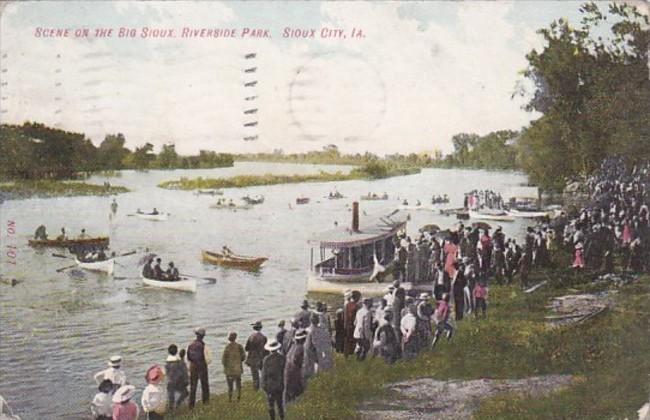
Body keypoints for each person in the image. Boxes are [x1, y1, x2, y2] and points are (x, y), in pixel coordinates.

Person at [262, 340, 285, 420]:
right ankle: (282, 418)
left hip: (270, 386)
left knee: (270, 404)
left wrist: (264, 386)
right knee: (280, 403)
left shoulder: (266, 359)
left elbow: (264, 374)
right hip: (279, 384)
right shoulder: (282, 358)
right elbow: (283, 372)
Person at [186, 327, 210, 408]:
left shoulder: (190, 344)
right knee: (204, 385)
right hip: (202, 366)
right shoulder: (204, 345)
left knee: (193, 386)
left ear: (196, 335)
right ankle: (206, 403)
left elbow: (188, 357)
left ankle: (191, 405)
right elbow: (207, 358)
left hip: (193, 367)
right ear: (203, 336)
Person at [304, 313, 333, 377]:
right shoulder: (323, 327)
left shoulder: (310, 331)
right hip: (325, 352)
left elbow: (308, 347)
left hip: (316, 355)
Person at [284, 329, 307, 403]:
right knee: (297, 391)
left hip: (287, 371)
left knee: (289, 391)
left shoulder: (292, 346)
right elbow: (297, 361)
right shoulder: (301, 348)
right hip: (294, 372)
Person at [222, 332, 246, 402]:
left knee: (230, 386)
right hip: (237, 369)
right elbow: (244, 357)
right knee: (238, 384)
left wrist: (226, 366)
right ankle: (238, 398)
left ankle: (230, 399)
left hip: (229, 370)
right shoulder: (239, 346)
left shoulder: (227, 347)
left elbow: (223, 360)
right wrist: (239, 362)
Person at [245, 321, 268, 391]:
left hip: (253, 358)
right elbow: (266, 349)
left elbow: (246, 348)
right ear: (261, 328)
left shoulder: (251, 337)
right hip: (261, 357)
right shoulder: (264, 337)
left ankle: (256, 389)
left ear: (254, 328)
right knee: (263, 374)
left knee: (255, 376)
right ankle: (264, 387)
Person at [165, 344, 188, 411]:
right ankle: (178, 404)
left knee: (171, 399)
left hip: (170, 382)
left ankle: (171, 410)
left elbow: (167, 373)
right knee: (186, 393)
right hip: (178, 382)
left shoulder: (167, 363)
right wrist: (186, 381)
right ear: (176, 351)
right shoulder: (179, 362)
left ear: (168, 352)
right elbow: (184, 373)